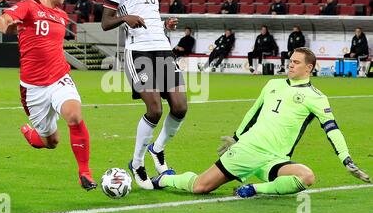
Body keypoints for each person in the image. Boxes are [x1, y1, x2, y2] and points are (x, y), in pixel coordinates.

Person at [150, 47, 371, 197]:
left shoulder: (317, 98)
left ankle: (254, 189)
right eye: (290, 61)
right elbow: (252, 113)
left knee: (306, 176)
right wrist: (235, 138)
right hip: (249, 149)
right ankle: (165, 179)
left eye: (296, 62)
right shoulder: (273, 84)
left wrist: (346, 159)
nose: (290, 65)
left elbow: (332, 130)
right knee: (200, 187)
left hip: (275, 159)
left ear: (309, 68)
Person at [0, 0, 97, 190]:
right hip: (32, 88)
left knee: (74, 115)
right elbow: (5, 21)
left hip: (60, 77)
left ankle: (85, 172)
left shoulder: (62, 15)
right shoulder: (29, 7)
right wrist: (2, 23)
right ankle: (31, 134)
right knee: (51, 142)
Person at [101, 0, 185, 190]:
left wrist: (164, 24)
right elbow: (106, 22)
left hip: (162, 47)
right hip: (138, 51)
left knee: (180, 107)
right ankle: (137, 163)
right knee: (155, 109)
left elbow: (149, 17)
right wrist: (125, 18)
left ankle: (157, 149)